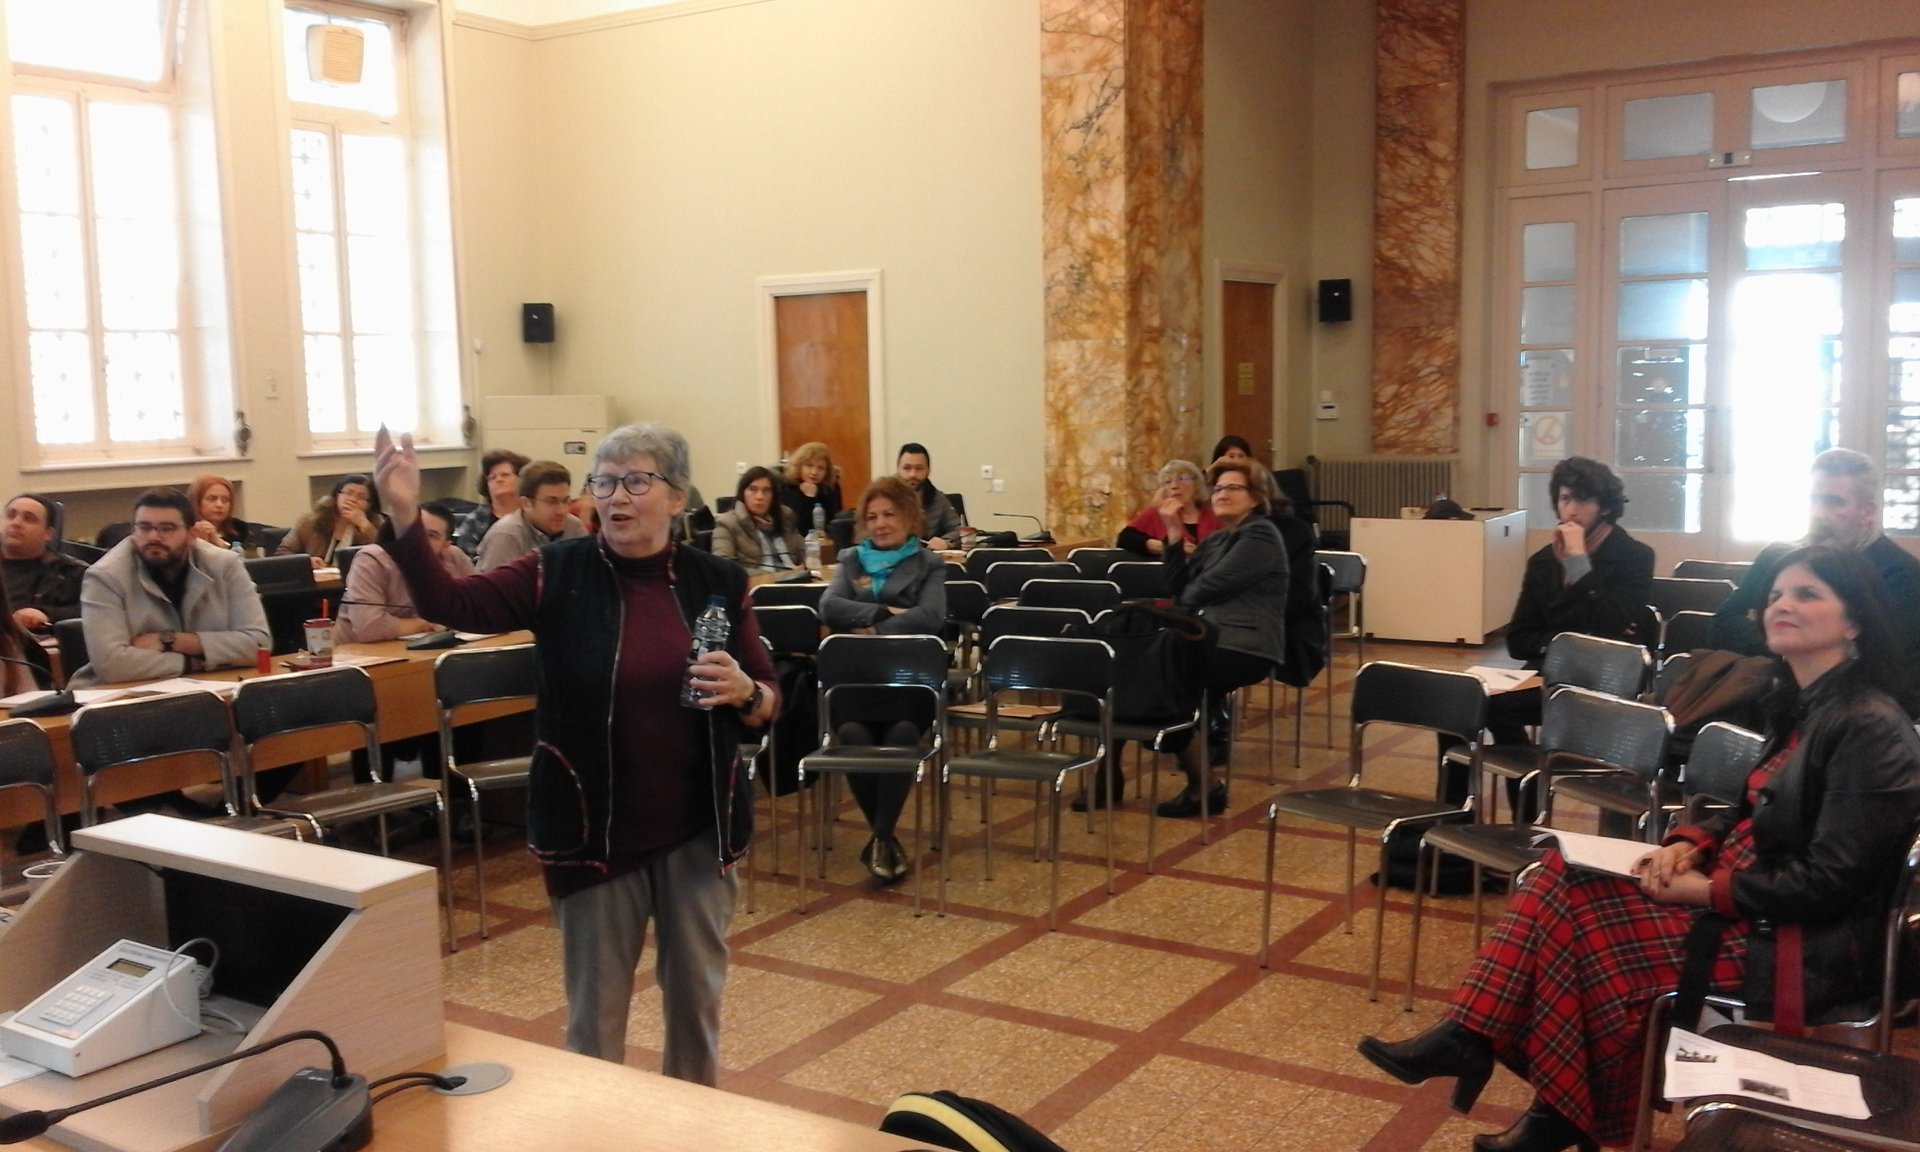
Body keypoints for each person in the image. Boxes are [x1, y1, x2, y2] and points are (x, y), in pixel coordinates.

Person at [1358, 546, 1920, 1152]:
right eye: (1778, 594)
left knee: (1583, 930)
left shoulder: (1868, 726)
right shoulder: (1803, 700)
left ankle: (1516, 1076)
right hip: (1749, 896)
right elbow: (1751, 808)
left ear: (1854, 621)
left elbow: (1830, 883)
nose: (1782, 605)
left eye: (1808, 594)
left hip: (1795, 938)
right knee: (1557, 872)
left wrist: (1705, 890)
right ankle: (1497, 1062)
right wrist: (1688, 843)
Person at [371, 421, 776, 1086]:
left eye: (637, 481)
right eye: (605, 483)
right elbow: (451, 602)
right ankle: (596, 1128)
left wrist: (746, 691)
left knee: (696, 1008)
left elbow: (767, 694)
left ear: (677, 497)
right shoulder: (556, 572)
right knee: (595, 1020)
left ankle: (695, 1126)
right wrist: (404, 513)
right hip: (592, 833)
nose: (617, 497)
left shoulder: (718, 581)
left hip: (698, 830)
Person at [1455, 458, 1654, 811]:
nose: (1571, 510)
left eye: (1582, 500)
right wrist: (1563, 643)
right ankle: (1458, 822)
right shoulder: (1544, 561)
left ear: (1605, 507)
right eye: (1564, 499)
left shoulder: (1634, 557)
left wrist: (1578, 562)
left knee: (1504, 710)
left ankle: (1527, 811)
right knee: (1461, 705)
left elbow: (1611, 627)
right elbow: (1519, 640)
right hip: (1548, 677)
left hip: (1604, 685)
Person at [818, 476, 949, 883]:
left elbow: (931, 617)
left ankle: (880, 836)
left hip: (909, 674)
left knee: (903, 732)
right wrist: (882, 613)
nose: (880, 523)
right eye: (872, 517)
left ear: (909, 517)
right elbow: (829, 606)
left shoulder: (929, 563)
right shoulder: (851, 560)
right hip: (856, 675)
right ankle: (884, 838)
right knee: (853, 734)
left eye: (889, 514)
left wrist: (873, 629)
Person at [1708, 449, 1920, 699]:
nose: (1818, 513)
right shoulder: (1776, 557)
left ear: (1868, 512)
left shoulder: (1903, 575)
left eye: (1833, 501)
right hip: (1766, 699)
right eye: (1813, 499)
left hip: (1854, 704)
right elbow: (1722, 627)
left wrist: (1772, 630)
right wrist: (1807, 641)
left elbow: (1882, 660)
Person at [1154, 456, 1287, 818]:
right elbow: (1176, 585)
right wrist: (1174, 531)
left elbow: (1207, 587)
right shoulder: (1217, 540)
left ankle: (1204, 787)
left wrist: (1186, 597)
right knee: (1146, 672)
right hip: (1211, 637)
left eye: (1234, 488)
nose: (1222, 494)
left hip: (1246, 643)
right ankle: (1195, 783)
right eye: (1218, 488)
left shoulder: (1261, 534)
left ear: (1255, 498)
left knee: (1164, 681)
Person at [70, 488, 271, 687]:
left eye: (167, 528)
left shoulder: (225, 566)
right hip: (118, 693)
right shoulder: (105, 576)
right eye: (144, 527)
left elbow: (259, 644)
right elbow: (111, 665)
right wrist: (195, 662)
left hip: (213, 686)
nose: (153, 537)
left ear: (191, 534)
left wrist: (172, 640)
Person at [334, 501, 473, 644]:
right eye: (416, 531)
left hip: (426, 649)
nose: (419, 540)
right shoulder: (372, 560)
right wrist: (426, 623)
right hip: (359, 652)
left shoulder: (455, 558)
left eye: (431, 536)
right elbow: (369, 628)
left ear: (445, 546)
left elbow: (478, 607)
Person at [474, 460, 587, 571]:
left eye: (565, 501)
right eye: (551, 502)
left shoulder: (573, 526)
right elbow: (499, 583)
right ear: (526, 504)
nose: (562, 511)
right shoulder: (505, 535)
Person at [2, 493, 85, 633]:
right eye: (11, 515)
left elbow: (97, 611)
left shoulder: (71, 573)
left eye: (28, 518)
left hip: (32, 642)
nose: (16, 523)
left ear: (48, 534)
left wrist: (47, 613)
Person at [711, 467, 805, 583]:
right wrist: (771, 575)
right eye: (753, 489)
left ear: (773, 495)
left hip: (795, 580)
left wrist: (805, 565)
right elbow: (722, 566)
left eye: (766, 490)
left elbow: (804, 551)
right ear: (742, 493)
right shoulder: (727, 522)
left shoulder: (786, 517)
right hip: (758, 586)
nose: (760, 496)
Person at [1117, 460, 1220, 557]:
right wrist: (1165, 547)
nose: (1174, 486)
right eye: (1168, 481)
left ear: (1197, 484)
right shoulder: (1156, 513)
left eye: (1182, 478)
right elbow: (1125, 539)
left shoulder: (1215, 515)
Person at [280, 475, 384, 567]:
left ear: (369, 504)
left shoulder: (376, 523)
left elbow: (386, 556)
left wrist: (364, 525)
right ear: (337, 495)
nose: (352, 499)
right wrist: (306, 562)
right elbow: (284, 551)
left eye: (361, 497)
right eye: (348, 493)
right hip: (317, 580)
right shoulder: (312, 519)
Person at [455, 448, 531, 561]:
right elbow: (465, 560)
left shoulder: (533, 515)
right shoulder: (476, 519)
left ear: (521, 480)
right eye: (492, 477)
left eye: (505, 475)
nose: (499, 479)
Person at [895, 442, 965, 550]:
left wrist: (946, 542)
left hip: (927, 557)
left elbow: (959, 531)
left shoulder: (937, 498)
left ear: (928, 470)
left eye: (919, 468)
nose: (912, 474)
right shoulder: (883, 498)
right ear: (898, 469)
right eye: (907, 468)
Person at [780, 441, 842, 530]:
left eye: (820, 468)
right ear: (799, 466)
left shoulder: (831, 487)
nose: (814, 472)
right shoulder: (788, 486)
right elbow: (798, 526)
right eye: (809, 466)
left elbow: (835, 520)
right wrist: (809, 498)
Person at [186, 474, 254, 554]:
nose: (219, 505)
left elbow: (247, 559)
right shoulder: (186, 530)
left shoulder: (239, 528)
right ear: (196, 501)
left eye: (225, 500)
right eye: (212, 499)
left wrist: (218, 542)